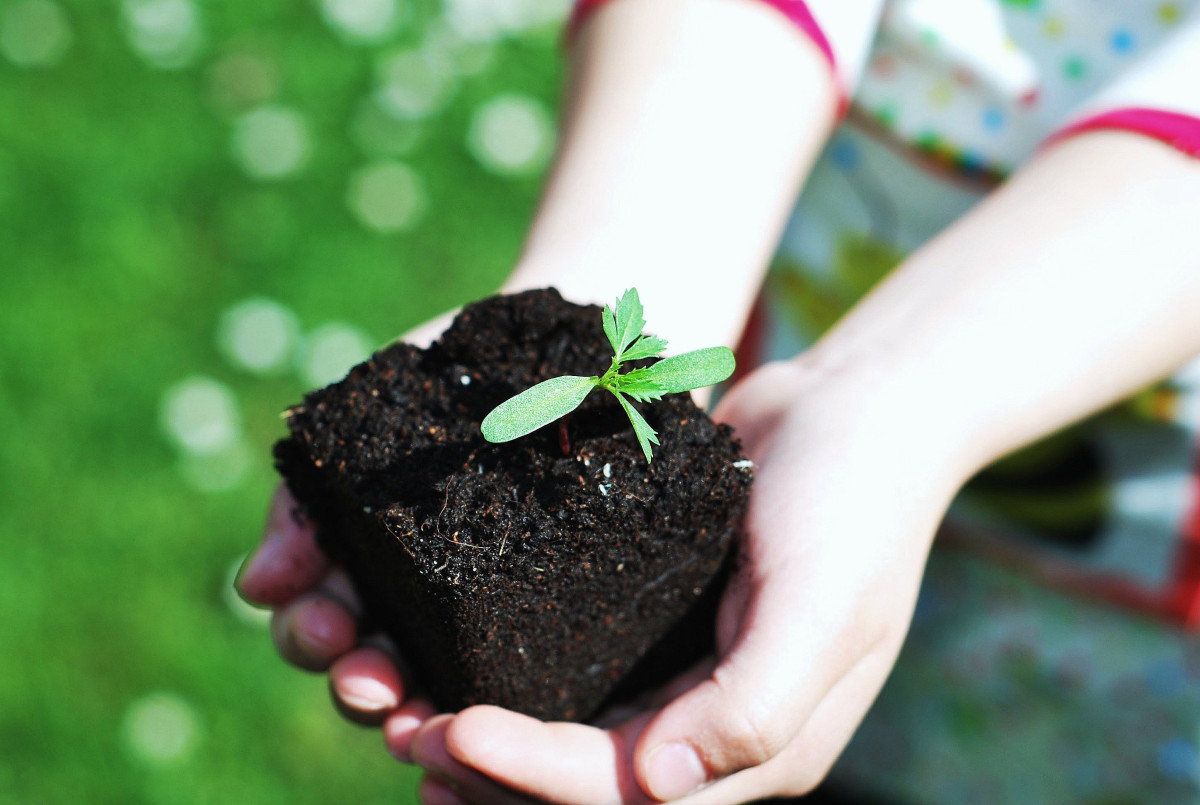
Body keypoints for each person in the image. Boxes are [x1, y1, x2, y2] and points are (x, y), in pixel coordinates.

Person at [237, 0, 1200, 802]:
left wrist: (905, 400)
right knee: (776, 677)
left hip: (1139, 603)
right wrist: (628, 254)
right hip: (793, 379)